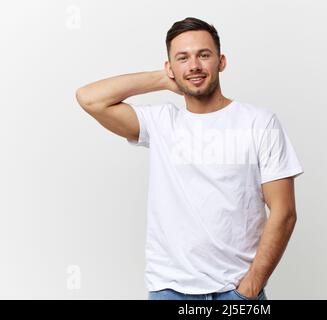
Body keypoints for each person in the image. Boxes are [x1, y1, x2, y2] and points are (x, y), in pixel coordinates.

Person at [75, 17, 304, 300]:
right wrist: (163, 80)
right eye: (183, 58)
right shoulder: (161, 123)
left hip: (237, 290)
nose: (194, 65)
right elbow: (89, 98)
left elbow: (284, 212)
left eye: (203, 55)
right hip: (170, 289)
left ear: (221, 61)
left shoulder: (259, 123)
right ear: (170, 67)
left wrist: (250, 289)